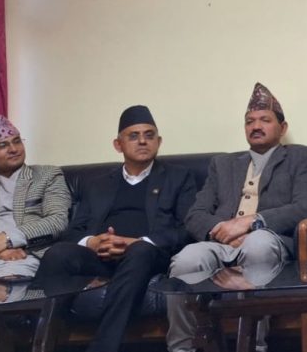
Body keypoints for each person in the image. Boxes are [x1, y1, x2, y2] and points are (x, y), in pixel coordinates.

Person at [167, 83, 307, 352]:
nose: (256, 126)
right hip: (220, 242)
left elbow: (306, 207)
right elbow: (195, 214)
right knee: (186, 260)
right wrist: (222, 230)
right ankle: (182, 348)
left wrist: (252, 222)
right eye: (250, 121)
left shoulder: (300, 157)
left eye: (265, 120)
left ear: (282, 128)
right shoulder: (223, 164)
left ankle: (252, 346)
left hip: (270, 239)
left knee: (257, 244)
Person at [35, 105, 196, 352]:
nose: (142, 141)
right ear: (118, 145)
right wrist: (93, 242)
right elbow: (74, 230)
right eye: (133, 136)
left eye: (149, 135)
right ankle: (39, 344)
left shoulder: (178, 177)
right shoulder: (98, 183)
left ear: (159, 141)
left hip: (150, 257)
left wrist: (138, 242)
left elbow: (188, 228)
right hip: (102, 257)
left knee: (140, 251)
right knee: (57, 254)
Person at [0, 116, 69, 279]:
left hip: (24, 257)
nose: (13, 149)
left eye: (17, 141)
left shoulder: (48, 176)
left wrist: (8, 239)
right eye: (2, 145)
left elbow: (57, 220)